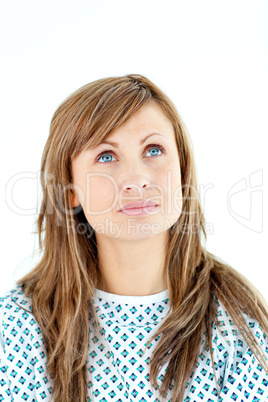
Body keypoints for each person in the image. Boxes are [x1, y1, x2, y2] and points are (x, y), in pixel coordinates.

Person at [0, 74, 268, 402]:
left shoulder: (239, 324)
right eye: (107, 156)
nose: (137, 180)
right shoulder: (17, 327)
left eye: (153, 150)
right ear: (70, 189)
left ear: (183, 172)